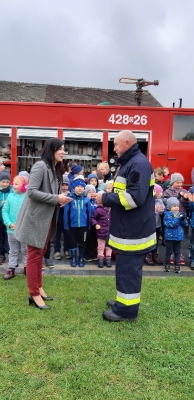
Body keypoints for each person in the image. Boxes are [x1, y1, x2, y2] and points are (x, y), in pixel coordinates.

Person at [95, 130, 156, 322]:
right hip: (129, 229)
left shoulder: (137, 163)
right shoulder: (132, 162)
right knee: (124, 269)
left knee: (128, 271)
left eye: (116, 144)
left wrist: (105, 198)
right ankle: (123, 302)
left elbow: (133, 199)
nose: (114, 148)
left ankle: (126, 311)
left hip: (134, 231)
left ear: (127, 143)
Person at [14, 138, 72, 310]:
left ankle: (38, 287)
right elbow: (31, 192)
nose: (63, 152)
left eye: (64, 149)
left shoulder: (53, 168)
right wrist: (56, 198)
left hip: (45, 219)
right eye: (60, 149)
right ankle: (34, 294)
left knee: (40, 253)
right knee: (34, 255)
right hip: (35, 219)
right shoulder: (40, 166)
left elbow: (46, 195)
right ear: (51, 150)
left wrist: (58, 201)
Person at [2, 175, 28, 280]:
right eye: (13, 183)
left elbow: (29, 213)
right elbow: (5, 211)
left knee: (25, 250)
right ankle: (11, 269)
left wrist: (22, 224)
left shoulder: (28, 198)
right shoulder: (10, 196)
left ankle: (27, 268)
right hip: (11, 230)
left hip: (24, 230)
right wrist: (9, 223)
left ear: (24, 186)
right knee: (12, 251)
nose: (13, 185)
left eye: (16, 184)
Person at [64, 176, 92, 267]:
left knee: (82, 243)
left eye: (82, 187)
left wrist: (89, 225)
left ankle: (80, 258)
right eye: (77, 186)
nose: (80, 188)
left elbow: (90, 213)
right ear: (73, 188)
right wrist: (66, 225)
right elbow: (66, 213)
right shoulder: (70, 199)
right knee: (72, 243)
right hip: (73, 226)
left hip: (83, 226)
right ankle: (73, 259)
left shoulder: (86, 200)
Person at [163, 172, 188, 266]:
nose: (179, 184)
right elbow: (165, 200)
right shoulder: (168, 191)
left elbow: (186, 203)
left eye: (181, 182)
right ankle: (170, 255)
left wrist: (186, 198)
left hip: (181, 214)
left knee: (180, 236)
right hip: (170, 215)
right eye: (177, 182)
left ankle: (178, 254)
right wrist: (177, 196)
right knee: (170, 236)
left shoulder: (184, 191)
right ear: (172, 182)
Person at [163, 197, 188, 273]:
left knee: (177, 252)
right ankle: (167, 264)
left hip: (178, 237)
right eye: (174, 206)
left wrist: (183, 219)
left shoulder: (179, 214)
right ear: (169, 207)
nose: (176, 208)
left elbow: (185, 224)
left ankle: (177, 265)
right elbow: (170, 224)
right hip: (169, 237)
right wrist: (178, 219)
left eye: (177, 206)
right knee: (169, 251)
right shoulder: (167, 215)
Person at [91, 188, 112, 268]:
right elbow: (93, 218)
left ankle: (108, 259)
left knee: (109, 246)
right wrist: (95, 224)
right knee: (100, 246)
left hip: (110, 232)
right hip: (101, 232)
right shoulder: (98, 210)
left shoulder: (111, 209)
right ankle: (100, 259)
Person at [144, 183, 164, 266]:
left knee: (155, 240)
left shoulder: (160, 201)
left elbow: (164, 211)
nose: (162, 194)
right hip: (148, 224)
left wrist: (162, 212)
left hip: (157, 224)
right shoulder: (147, 201)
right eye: (160, 192)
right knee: (149, 240)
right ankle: (147, 255)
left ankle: (155, 254)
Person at [53, 175, 71, 260]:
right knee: (57, 236)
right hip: (57, 219)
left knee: (67, 235)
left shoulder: (71, 194)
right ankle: (56, 251)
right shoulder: (56, 195)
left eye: (66, 185)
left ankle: (67, 250)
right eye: (63, 184)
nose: (64, 187)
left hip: (67, 220)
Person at [0, 170, 13, 264]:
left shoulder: (12, 190)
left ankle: (11, 256)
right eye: (3, 182)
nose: (5, 184)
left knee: (9, 238)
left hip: (9, 219)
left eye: (7, 182)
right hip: (0, 219)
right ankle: (1, 255)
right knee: (1, 238)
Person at [84, 184, 98, 262]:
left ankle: (93, 252)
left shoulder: (96, 201)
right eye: (89, 191)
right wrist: (87, 199)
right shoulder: (85, 201)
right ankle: (86, 253)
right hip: (87, 224)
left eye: (93, 191)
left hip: (95, 224)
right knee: (87, 240)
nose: (91, 193)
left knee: (94, 239)